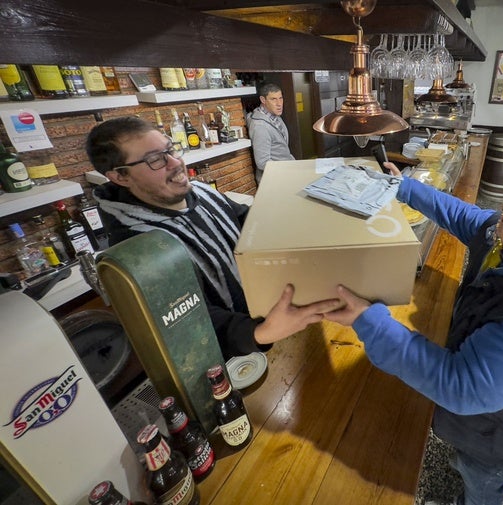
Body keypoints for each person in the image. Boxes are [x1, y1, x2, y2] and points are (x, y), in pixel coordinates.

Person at [324, 162, 503, 505]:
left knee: (481, 479)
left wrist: (367, 318)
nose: (501, 213)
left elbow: (459, 385)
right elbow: (468, 217)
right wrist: (403, 187)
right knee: (468, 465)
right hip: (500, 408)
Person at [85, 116, 339, 360]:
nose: (175, 163)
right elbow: (189, 320)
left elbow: (248, 221)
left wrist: (304, 218)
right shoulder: (139, 247)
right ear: (120, 176)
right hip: (234, 354)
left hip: (273, 318)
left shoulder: (202, 191)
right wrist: (261, 333)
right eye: (155, 160)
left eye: (171, 150)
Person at [246, 83, 295, 183]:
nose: (279, 103)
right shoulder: (260, 126)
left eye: (280, 98)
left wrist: (295, 166)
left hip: (286, 173)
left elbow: (282, 151)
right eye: (273, 99)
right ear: (263, 100)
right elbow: (262, 162)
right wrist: (287, 172)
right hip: (274, 180)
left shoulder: (275, 117)